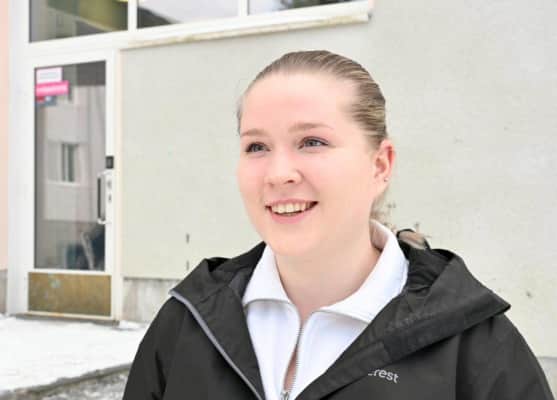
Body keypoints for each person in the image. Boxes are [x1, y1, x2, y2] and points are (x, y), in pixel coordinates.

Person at [123, 50, 554, 400]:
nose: (278, 173)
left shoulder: (472, 346)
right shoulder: (188, 322)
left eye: (312, 142)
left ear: (380, 165)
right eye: (256, 146)